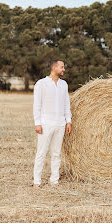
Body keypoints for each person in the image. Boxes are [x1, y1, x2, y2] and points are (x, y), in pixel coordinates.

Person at [33, 60, 72, 188]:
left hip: (60, 124)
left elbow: (67, 104)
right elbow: (37, 105)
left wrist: (68, 121)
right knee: (41, 153)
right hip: (46, 124)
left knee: (56, 153)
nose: (63, 70)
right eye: (61, 67)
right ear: (53, 68)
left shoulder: (63, 84)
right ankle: (37, 181)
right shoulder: (41, 84)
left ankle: (54, 179)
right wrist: (37, 123)